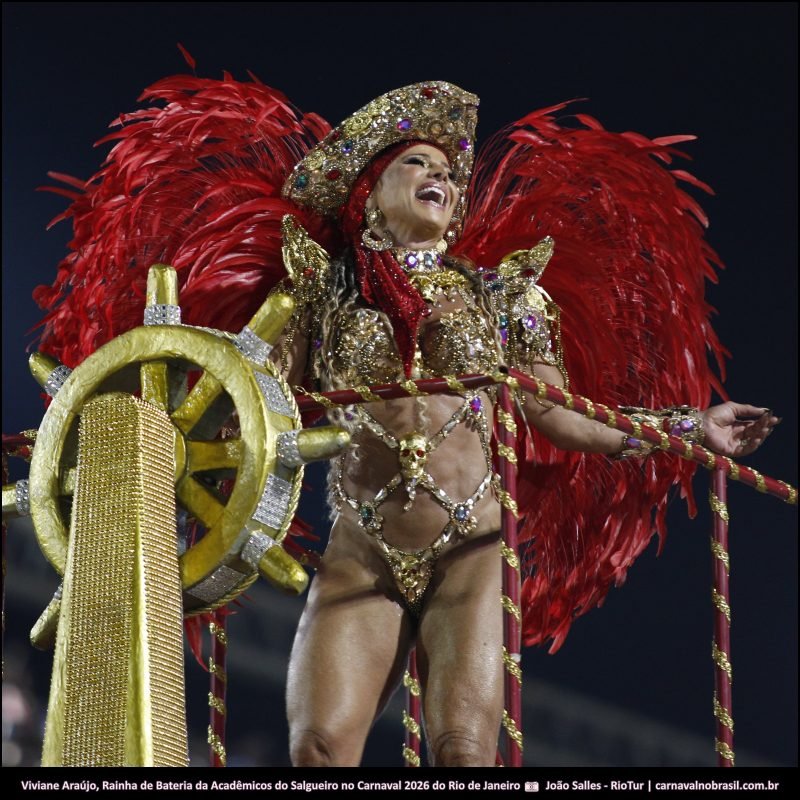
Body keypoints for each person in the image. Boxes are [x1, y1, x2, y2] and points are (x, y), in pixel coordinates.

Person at [33, 77, 780, 767]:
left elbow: (564, 420)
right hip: (361, 553)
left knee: (460, 748)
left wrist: (688, 430)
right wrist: (142, 439)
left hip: (472, 552)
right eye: (419, 163)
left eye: (452, 175)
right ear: (368, 193)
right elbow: (253, 403)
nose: (444, 180)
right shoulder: (322, 293)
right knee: (319, 748)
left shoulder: (503, 296)